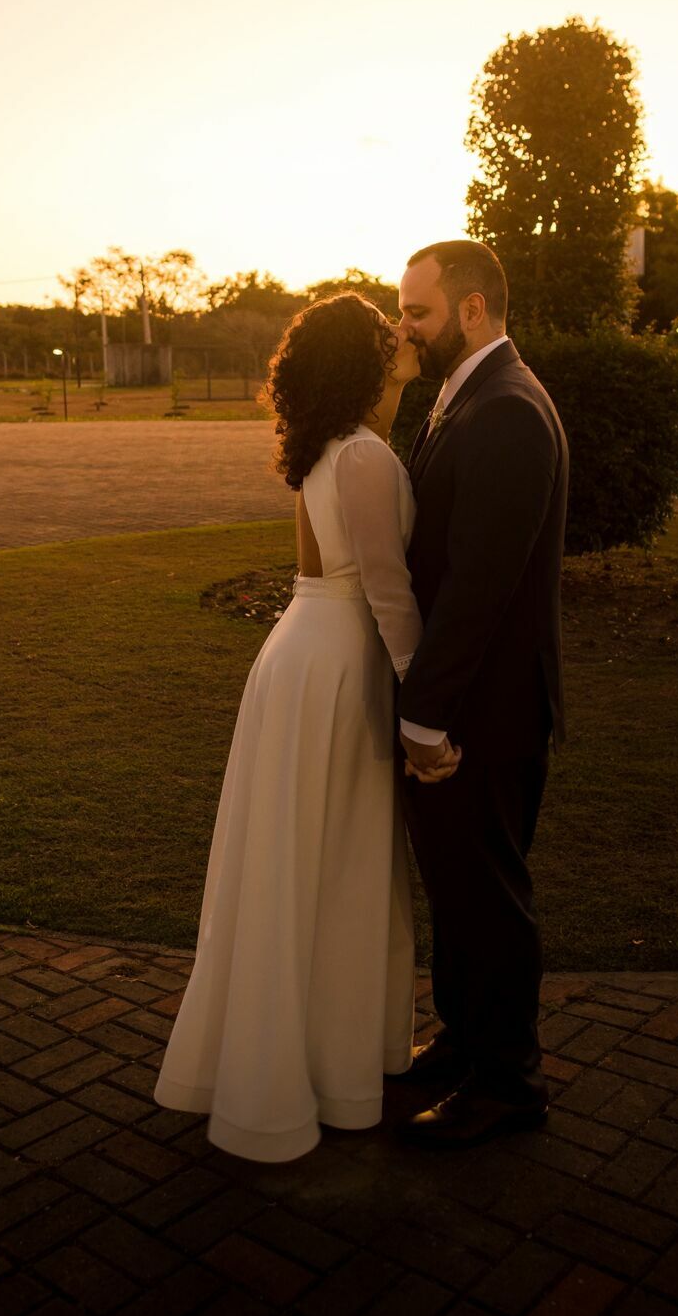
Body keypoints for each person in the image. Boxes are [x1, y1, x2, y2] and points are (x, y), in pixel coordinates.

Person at [152, 292, 458, 1162]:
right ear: (358, 363)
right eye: (382, 331)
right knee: (333, 860)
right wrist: (422, 722)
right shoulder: (360, 454)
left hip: (309, 653)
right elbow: (389, 592)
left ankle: (330, 1059)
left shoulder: (338, 448)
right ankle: (319, 1072)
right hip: (333, 663)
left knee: (319, 859)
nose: (400, 334)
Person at [393, 239, 568, 1149]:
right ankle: (465, 1043)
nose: (404, 327)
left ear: (469, 310)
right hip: (471, 704)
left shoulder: (505, 410)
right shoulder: (467, 397)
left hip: (483, 715)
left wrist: (422, 713)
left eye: (416, 312)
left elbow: (478, 585)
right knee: (458, 894)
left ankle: (509, 1081)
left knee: (488, 899)